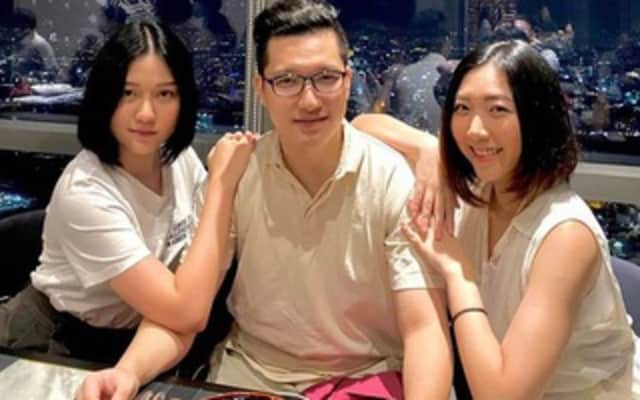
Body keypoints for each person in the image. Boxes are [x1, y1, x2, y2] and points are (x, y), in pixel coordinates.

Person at [75, 1, 453, 399]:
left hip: (364, 377)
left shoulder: (391, 177)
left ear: (347, 80)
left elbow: (424, 328)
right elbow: (183, 313)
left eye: (325, 78)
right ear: (261, 89)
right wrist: (128, 372)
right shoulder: (238, 174)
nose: (310, 100)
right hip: (251, 377)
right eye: (287, 81)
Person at [367, 40, 640, 398]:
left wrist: (458, 274)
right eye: (462, 108)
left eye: (498, 109)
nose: (475, 129)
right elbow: (362, 126)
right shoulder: (479, 191)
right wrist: (428, 148)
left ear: (536, 119)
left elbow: (502, 395)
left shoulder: (565, 234)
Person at [0, 20, 257, 364]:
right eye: (127, 93)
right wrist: (221, 184)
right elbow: (187, 311)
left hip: (141, 337)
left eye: (165, 94)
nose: (146, 114)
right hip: (52, 341)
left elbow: (198, 272)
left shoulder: (177, 160)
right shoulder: (86, 192)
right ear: (103, 98)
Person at [8, 7, 59, 79]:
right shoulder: (15, 42)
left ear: (26, 28)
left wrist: (33, 77)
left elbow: (53, 71)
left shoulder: (40, 44)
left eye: (15, 26)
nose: (12, 30)